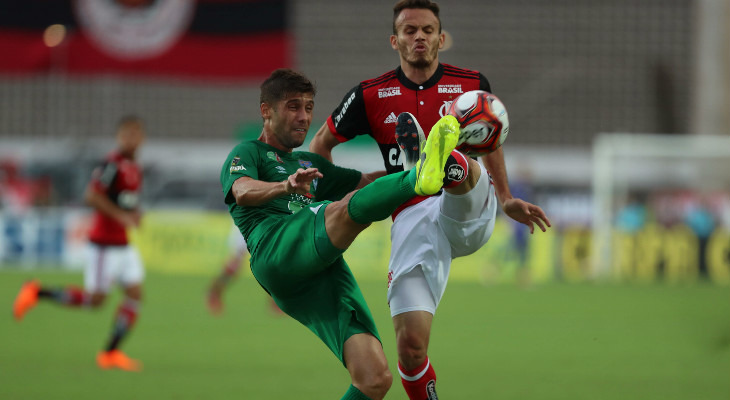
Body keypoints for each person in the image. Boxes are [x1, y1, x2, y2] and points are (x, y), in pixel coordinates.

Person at [309, 1, 551, 398]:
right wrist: (344, 185)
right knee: (410, 348)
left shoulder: (471, 84)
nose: (418, 37)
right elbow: (320, 144)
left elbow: (491, 144)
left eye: (426, 30)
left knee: (458, 162)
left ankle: (435, 161)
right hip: (412, 220)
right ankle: (425, 165)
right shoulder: (371, 94)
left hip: (467, 204)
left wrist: (506, 198)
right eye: (409, 31)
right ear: (394, 40)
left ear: (441, 38)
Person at [221, 68, 461, 400]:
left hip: (318, 269)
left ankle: (417, 172)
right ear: (266, 111)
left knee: (374, 378)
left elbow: (366, 184)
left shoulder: (308, 163)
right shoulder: (248, 153)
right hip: (275, 249)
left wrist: (443, 172)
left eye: (308, 107)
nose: (303, 116)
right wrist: (283, 185)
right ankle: (418, 176)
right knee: (343, 209)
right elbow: (242, 190)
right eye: (293, 106)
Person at [12, 115, 147, 372]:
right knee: (95, 301)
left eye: (137, 134)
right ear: (119, 136)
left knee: (135, 295)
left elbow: (125, 201)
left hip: (124, 244)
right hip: (104, 245)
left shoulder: (135, 167)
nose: (133, 139)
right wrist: (121, 216)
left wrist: (135, 214)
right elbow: (92, 196)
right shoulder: (112, 164)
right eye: (127, 134)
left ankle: (110, 353)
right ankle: (36, 292)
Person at [206, 224, 283, 315]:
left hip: (265, 220)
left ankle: (277, 299)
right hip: (246, 220)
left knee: (273, 259)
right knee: (235, 263)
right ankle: (214, 292)